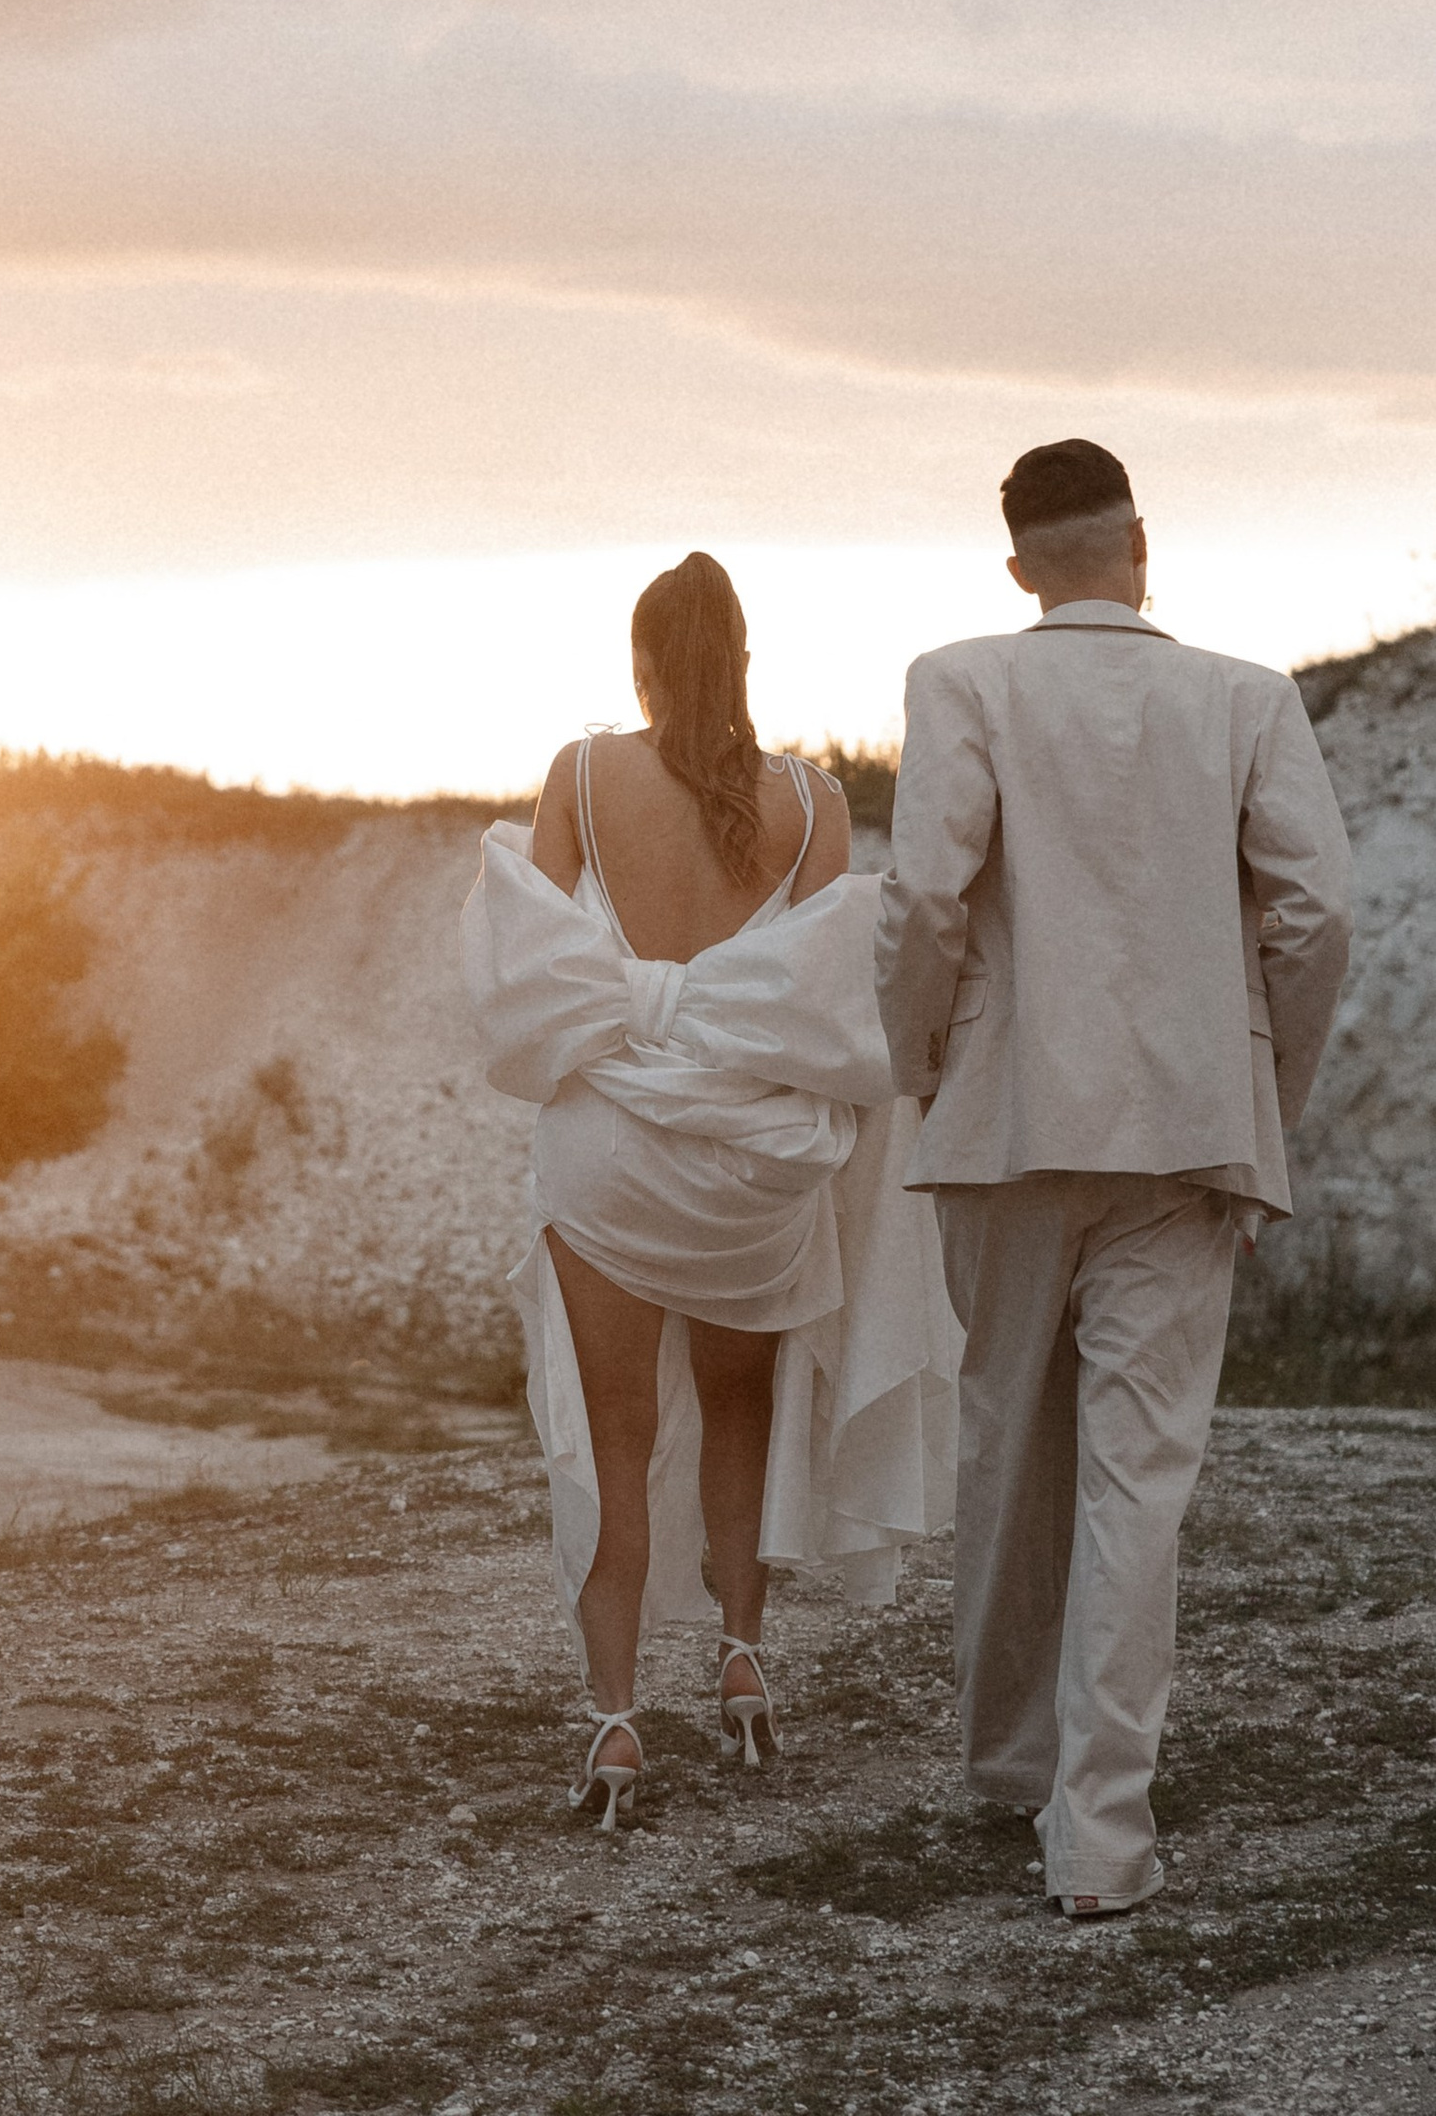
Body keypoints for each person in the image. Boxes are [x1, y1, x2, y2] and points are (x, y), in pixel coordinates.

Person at [877, 441, 1353, 1920]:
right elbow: (1318, 913)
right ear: (1144, 542)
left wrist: (924, 1066)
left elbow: (923, 901)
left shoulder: (963, 680)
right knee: (1138, 1483)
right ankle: (1100, 1836)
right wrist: (1264, 1096)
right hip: (1190, 1137)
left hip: (1009, 1122)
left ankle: (1013, 1763)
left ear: (1018, 568)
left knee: (1008, 1448)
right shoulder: (1246, 697)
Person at [463, 551, 958, 1828]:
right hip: (752, 1157)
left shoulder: (578, 773)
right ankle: (740, 1656)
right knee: (741, 1414)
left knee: (617, 1440)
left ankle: (617, 1725)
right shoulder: (815, 803)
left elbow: (534, 959)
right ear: (743, 663)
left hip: (613, 1141)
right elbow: (825, 989)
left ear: (638, 663)